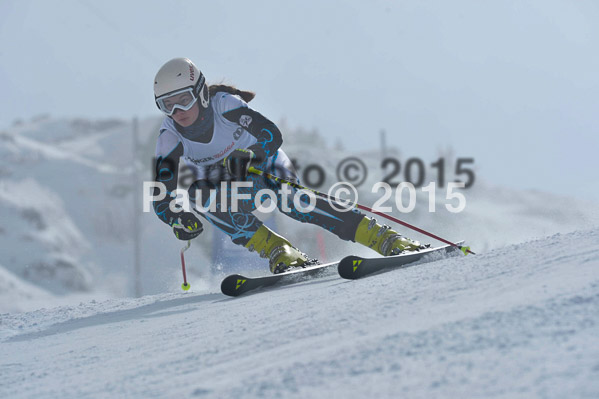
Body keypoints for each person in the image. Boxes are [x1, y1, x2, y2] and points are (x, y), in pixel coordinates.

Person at [152, 57, 423, 274]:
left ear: (200, 93)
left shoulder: (225, 106)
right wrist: (176, 217)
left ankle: (383, 238)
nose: (178, 112)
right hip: (230, 184)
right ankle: (279, 251)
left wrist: (251, 155)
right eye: (167, 105)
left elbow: (271, 134)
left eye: (184, 100)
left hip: (267, 166)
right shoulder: (170, 138)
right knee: (198, 194)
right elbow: (161, 196)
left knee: (292, 201)